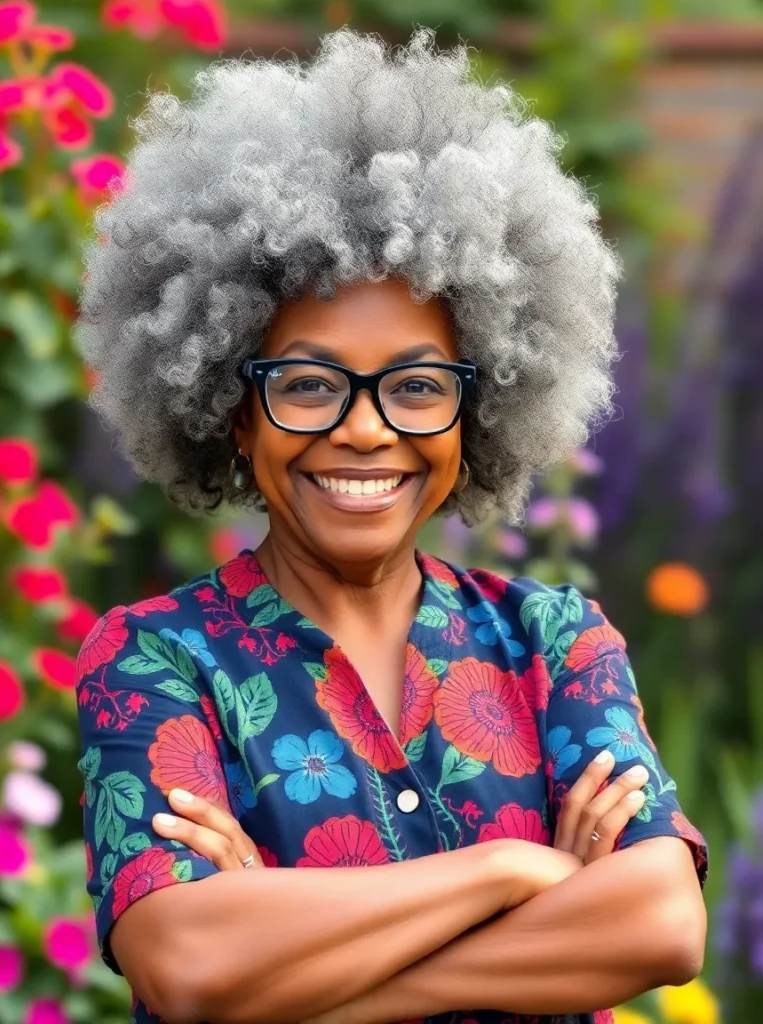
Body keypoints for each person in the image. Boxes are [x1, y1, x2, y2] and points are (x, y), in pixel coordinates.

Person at [74, 27, 708, 1024]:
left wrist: (294, 980)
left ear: (477, 406)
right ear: (232, 408)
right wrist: (511, 867)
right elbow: (188, 961)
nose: (365, 428)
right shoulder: (155, 661)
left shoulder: (556, 643)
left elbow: (658, 924)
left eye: (416, 386)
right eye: (309, 383)